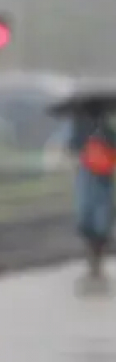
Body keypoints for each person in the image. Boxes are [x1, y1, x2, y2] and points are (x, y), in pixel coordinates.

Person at [68, 104, 116, 283]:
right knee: (92, 223)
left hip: (97, 181)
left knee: (97, 224)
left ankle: (95, 265)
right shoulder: (87, 128)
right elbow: (73, 148)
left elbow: (72, 149)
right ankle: (95, 265)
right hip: (94, 180)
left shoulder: (103, 130)